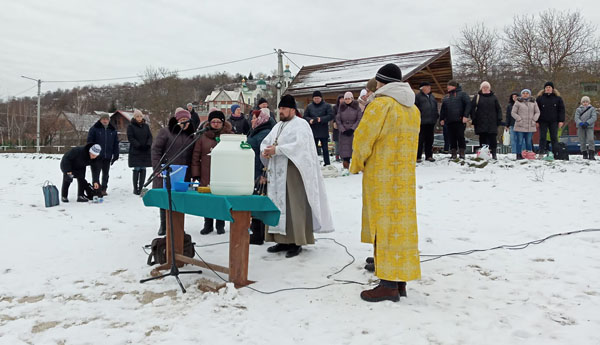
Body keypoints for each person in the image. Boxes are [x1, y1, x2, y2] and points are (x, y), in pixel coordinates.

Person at [350, 63, 421, 302]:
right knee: (401, 228)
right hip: (404, 178)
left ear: (381, 83)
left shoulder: (380, 104)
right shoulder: (413, 108)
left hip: (381, 177)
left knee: (384, 227)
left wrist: (357, 163)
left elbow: (363, 138)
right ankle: (399, 280)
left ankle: (388, 285)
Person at [260, 94, 334, 258]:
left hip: (294, 171)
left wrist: (277, 150)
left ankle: (296, 241)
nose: (281, 111)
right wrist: (265, 151)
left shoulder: (301, 125)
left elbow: (301, 146)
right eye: (280, 108)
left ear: (292, 109)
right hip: (278, 171)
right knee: (279, 205)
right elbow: (266, 141)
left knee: (294, 205)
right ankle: (281, 240)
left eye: (284, 109)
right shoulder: (278, 126)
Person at [151, 108, 196, 236]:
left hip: (183, 173)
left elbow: (193, 155)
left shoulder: (191, 136)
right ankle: (164, 225)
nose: (184, 123)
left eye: (187, 121)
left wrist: (192, 173)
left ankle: (177, 225)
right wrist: (157, 168)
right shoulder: (165, 132)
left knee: (179, 200)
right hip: (166, 171)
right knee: (165, 198)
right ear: (176, 121)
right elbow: (156, 150)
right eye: (182, 120)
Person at [191, 110, 234, 235]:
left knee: (220, 199)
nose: (215, 124)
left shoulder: (229, 136)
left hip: (223, 173)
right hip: (206, 172)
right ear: (209, 123)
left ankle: (220, 224)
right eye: (213, 122)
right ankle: (208, 224)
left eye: (218, 122)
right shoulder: (202, 137)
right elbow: (196, 156)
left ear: (223, 123)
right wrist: (196, 173)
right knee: (207, 200)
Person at [247, 108, 275, 245]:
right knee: (255, 201)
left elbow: (264, 156)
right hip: (253, 171)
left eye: (254, 118)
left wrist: (262, 174)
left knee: (258, 202)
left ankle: (258, 234)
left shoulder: (264, 133)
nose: (251, 120)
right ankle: (256, 231)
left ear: (260, 120)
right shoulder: (256, 131)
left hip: (259, 173)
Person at [87, 113, 119, 196]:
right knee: (96, 173)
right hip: (96, 156)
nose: (105, 121)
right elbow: (89, 142)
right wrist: (91, 153)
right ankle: (96, 189)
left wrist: (116, 154)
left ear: (109, 120)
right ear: (100, 120)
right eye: (103, 119)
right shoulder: (94, 129)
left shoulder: (113, 130)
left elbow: (116, 143)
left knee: (106, 174)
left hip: (107, 155)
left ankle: (104, 189)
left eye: (106, 119)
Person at [471, 81, 502, 160]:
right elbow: (472, 108)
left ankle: (494, 154)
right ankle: (483, 154)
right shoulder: (477, 97)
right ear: (481, 88)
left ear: (489, 88)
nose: (485, 89)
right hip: (480, 121)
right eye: (483, 87)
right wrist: (473, 118)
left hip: (492, 122)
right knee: (483, 138)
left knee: (493, 139)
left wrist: (499, 119)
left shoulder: (494, 97)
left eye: (487, 87)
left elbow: (498, 109)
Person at [440, 80, 471, 159]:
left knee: (460, 136)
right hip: (449, 121)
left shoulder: (463, 94)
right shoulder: (446, 97)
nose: (448, 87)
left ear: (454, 86)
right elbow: (443, 109)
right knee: (451, 137)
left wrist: (465, 116)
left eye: (449, 85)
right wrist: (442, 119)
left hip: (460, 120)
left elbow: (468, 104)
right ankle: (453, 153)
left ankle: (462, 152)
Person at [303, 90, 334, 166]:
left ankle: (327, 163)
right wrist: (309, 120)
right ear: (313, 99)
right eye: (315, 98)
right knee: (313, 149)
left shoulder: (327, 106)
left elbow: (331, 115)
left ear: (321, 98)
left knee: (325, 149)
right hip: (313, 130)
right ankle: (313, 163)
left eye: (318, 98)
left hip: (323, 130)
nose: (316, 100)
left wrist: (321, 119)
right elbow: (305, 116)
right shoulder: (309, 106)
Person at [127, 109, 153, 195]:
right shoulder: (131, 126)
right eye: (137, 116)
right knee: (137, 168)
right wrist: (138, 145)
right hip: (136, 151)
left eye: (140, 116)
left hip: (145, 150)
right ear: (134, 117)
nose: (139, 118)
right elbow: (131, 138)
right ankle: (135, 188)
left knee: (143, 168)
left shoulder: (146, 126)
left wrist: (148, 144)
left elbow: (150, 136)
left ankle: (141, 187)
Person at [336, 91, 363, 174]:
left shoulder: (357, 107)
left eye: (349, 98)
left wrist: (353, 128)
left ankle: (355, 167)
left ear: (352, 99)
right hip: (344, 131)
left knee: (354, 149)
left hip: (353, 131)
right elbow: (338, 119)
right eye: (346, 99)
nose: (347, 100)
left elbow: (359, 119)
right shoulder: (341, 107)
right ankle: (346, 166)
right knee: (345, 150)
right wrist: (342, 129)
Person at [536, 81, 565, 157]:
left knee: (554, 137)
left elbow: (561, 110)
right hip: (542, 121)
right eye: (546, 87)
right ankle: (541, 153)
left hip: (554, 121)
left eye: (549, 87)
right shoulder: (539, 98)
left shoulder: (558, 99)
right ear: (544, 89)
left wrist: (561, 120)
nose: (548, 89)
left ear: (552, 89)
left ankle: (556, 153)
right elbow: (536, 110)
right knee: (542, 137)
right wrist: (536, 121)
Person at [511, 89, 540, 159]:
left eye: (527, 93)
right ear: (521, 94)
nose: (525, 94)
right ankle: (518, 155)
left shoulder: (534, 102)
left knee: (528, 141)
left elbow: (537, 112)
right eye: (524, 93)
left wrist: (534, 120)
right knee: (520, 141)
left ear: (529, 94)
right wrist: (519, 119)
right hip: (520, 125)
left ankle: (529, 154)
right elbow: (513, 112)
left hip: (530, 125)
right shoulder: (518, 102)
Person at [414, 81, 439, 162]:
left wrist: (436, 116)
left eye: (429, 86)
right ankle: (418, 156)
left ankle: (429, 156)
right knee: (420, 140)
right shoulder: (418, 97)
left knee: (430, 140)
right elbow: (415, 109)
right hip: (421, 122)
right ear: (422, 88)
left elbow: (435, 107)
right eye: (427, 86)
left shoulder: (432, 97)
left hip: (431, 122)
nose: (429, 88)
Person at [331, 94, 345, 162]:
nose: (342, 100)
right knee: (337, 142)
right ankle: (337, 156)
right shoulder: (335, 107)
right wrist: (334, 122)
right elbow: (333, 115)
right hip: (337, 126)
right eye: (340, 99)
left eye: (343, 98)